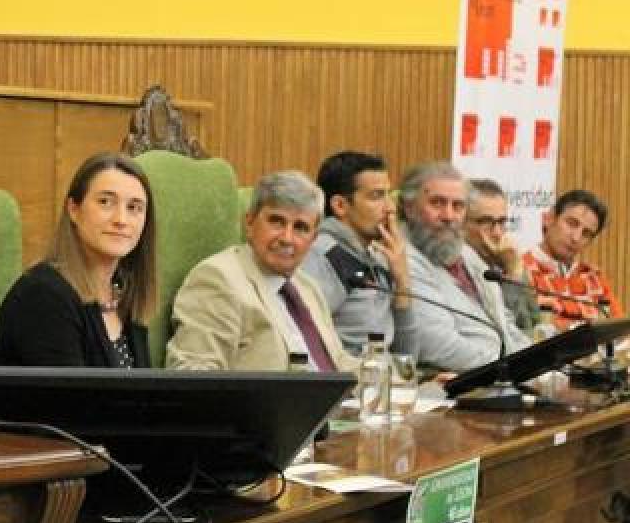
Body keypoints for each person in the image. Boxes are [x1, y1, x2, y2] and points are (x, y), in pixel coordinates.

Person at [167, 170, 357, 372]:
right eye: (277, 221)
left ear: (313, 239)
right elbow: (193, 372)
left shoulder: (306, 286)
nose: (287, 238)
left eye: (301, 228)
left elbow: (339, 361)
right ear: (249, 223)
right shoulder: (217, 279)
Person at [0, 152, 156, 367]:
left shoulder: (124, 293)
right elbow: (68, 399)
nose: (121, 220)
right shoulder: (43, 295)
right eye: (106, 202)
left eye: (134, 207)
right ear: (74, 209)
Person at [393, 162, 528, 372]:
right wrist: (512, 368)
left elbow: (506, 325)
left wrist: (540, 362)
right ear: (409, 208)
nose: (448, 216)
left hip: (500, 375)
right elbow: (437, 345)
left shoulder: (465, 252)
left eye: (458, 206)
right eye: (437, 203)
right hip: (460, 385)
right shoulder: (403, 257)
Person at [301, 151, 409, 354]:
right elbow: (307, 346)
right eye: (377, 196)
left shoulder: (378, 256)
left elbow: (407, 354)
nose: (390, 208)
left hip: (386, 377)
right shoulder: (322, 257)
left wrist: (402, 281)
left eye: (388, 195)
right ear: (340, 205)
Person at [522, 189, 624, 328]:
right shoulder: (519, 272)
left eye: (586, 233)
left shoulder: (594, 279)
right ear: (549, 218)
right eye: (571, 223)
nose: (576, 237)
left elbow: (620, 332)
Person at [463, 178, 540, 334]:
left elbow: (532, 322)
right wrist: (512, 275)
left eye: (502, 222)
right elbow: (500, 330)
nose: (497, 233)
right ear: (460, 221)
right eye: (485, 222)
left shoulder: (506, 258)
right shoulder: (458, 270)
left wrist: (516, 272)